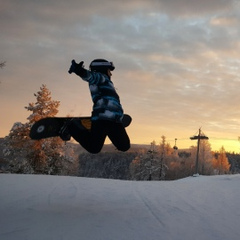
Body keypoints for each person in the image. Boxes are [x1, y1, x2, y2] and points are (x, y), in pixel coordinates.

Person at [59, 59, 131, 154]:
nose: (111, 74)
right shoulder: (101, 78)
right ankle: (71, 127)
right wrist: (79, 71)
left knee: (124, 146)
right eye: (109, 71)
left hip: (115, 120)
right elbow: (90, 76)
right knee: (94, 148)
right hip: (102, 119)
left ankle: (103, 128)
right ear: (103, 69)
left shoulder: (107, 82)